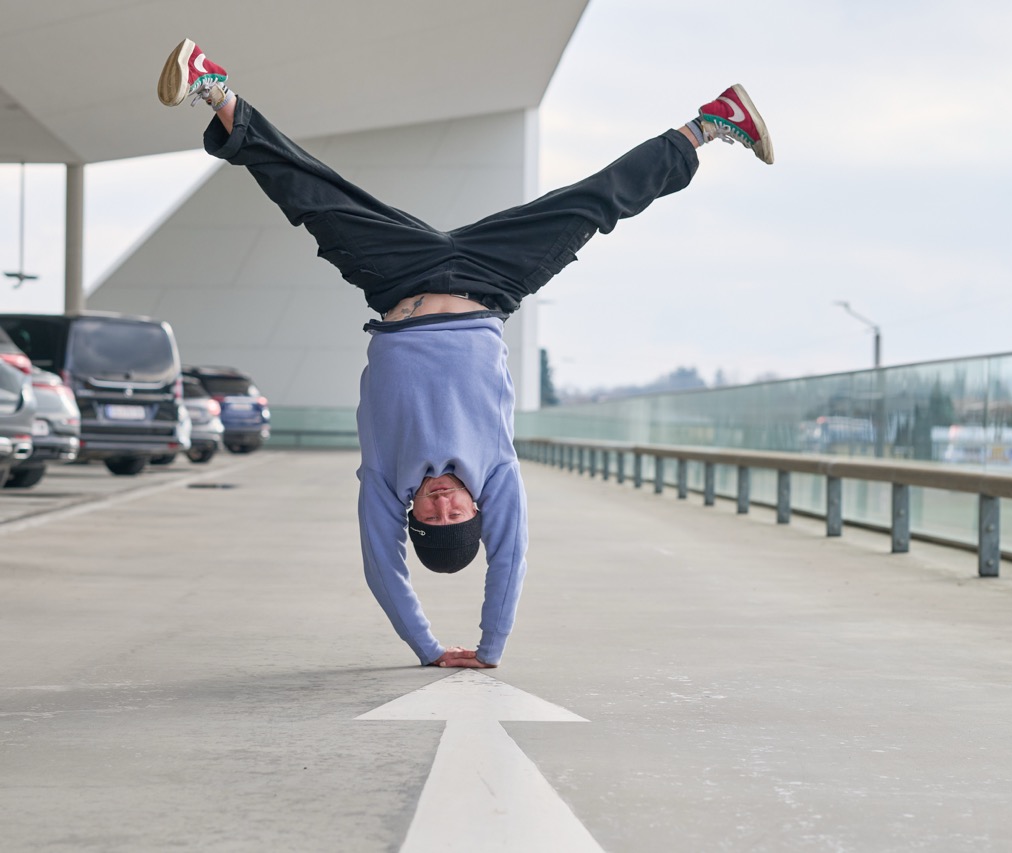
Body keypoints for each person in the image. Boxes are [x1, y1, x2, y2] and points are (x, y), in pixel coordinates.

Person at [157, 38, 774, 669]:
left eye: (435, 512)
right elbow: (510, 560)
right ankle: (712, 122)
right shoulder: (498, 477)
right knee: (597, 202)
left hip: (398, 280)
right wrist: (490, 648)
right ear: (478, 509)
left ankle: (213, 87)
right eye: (457, 511)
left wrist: (425, 649)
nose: (445, 501)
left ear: (413, 516)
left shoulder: (383, 484)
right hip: (490, 284)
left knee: (314, 195)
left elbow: (382, 571)